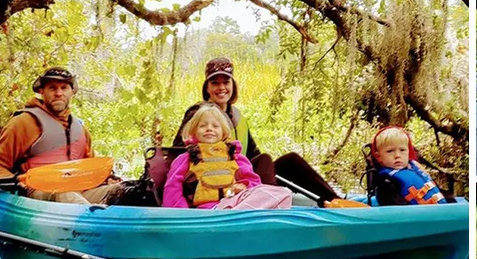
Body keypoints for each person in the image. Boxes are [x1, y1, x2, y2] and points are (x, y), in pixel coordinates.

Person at [175, 58, 340, 201]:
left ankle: (336, 201)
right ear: (207, 88)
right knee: (264, 160)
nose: (221, 87)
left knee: (289, 161)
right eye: (215, 83)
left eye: (226, 82)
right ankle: (269, 205)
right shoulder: (198, 113)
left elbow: (253, 155)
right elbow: (179, 151)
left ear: (233, 85)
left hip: (240, 175)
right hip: (212, 178)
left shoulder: (236, 116)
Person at [0, 67, 122, 205]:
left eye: (64, 88)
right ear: (41, 91)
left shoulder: (81, 130)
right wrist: (16, 183)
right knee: (63, 191)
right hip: (38, 193)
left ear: (72, 92)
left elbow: (89, 171)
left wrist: (106, 180)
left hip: (80, 193)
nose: (58, 93)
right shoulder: (22, 123)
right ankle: (94, 223)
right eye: (52, 88)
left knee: (127, 190)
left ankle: (107, 219)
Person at [162, 103, 290, 210]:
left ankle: (243, 218)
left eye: (215, 126)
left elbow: (254, 183)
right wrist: (185, 216)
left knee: (283, 193)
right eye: (202, 126)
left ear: (223, 132)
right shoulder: (185, 159)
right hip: (207, 212)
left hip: (235, 203)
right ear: (193, 132)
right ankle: (239, 218)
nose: (209, 129)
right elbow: (172, 190)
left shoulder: (235, 157)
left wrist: (243, 186)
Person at [365, 126, 444, 205]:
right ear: (379, 157)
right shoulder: (386, 183)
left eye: (402, 150)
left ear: (408, 152)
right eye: (390, 151)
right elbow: (398, 211)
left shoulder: (414, 168)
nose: (397, 155)